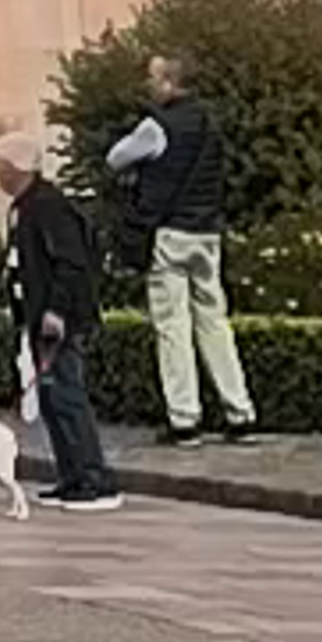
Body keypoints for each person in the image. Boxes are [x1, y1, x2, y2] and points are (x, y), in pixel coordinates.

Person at [102, 42, 257, 440]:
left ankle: (184, 418)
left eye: (153, 77)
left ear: (170, 82)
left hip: (170, 233)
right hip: (207, 232)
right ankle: (239, 412)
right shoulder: (209, 122)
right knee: (214, 321)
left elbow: (116, 158)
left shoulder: (156, 126)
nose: (148, 84)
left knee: (172, 326)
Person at [0, 131, 124, 506]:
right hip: (39, 316)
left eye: (1, 168)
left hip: (59, 319)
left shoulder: (49, 207)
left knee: (67, 396)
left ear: (18, 168)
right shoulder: (26, 206)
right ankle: (71, 476)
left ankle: (92, 476)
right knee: (52, 398)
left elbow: (71, 263)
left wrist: (57, 309)